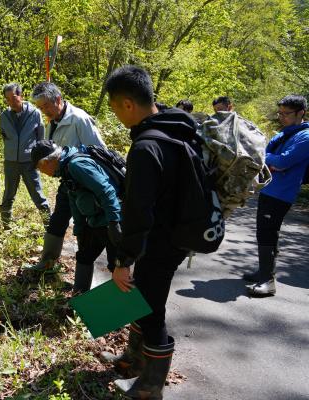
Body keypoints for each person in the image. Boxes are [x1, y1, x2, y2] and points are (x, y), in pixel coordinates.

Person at [103, 65, 198, 399]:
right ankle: (132, 360)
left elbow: (138, 213)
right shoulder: (178, 128)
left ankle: (149, 388)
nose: (115, 115)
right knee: (143, 299)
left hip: (159, 242)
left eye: (114, 108)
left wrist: (122, 260)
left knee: (151, 310)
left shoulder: (145, 147)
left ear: (128, 103)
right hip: (178, 237)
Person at [27, 82, 106, 271]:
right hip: (68, 183)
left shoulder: (79, 119)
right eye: (40, 108)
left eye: (46, 106)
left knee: (85, 228)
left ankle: (84, 269)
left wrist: (77, 160)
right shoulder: (51, 123)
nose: (44, 111)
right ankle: (47, 262)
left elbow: (99, 151)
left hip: (86, 183)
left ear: (58, 100)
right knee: (57, 221)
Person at [30, 140, 122, 292]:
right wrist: (79, 230)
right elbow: (74, 202)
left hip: (112, 219)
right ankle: (79, 297)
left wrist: (114, 222)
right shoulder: (65, 170)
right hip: (95, 221)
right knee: (84, 255)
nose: (42, 173)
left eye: (40, 168)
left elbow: (107, 191)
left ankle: (122, 309)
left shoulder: (77, 165)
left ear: (47, 162)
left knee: (117, 267)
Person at [244, 95, 309, 296]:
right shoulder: (285, 133)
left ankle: (268, 281)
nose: (281, 117)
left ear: (301, 113)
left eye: (286, 113)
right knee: (264, 232)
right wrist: (269, 160)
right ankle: (263, 271)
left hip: (282, 193)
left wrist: (267, 158)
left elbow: (282, 162)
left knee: (268, 233)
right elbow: (268, 157)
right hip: (269, 189)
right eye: (280, 113)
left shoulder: (305, 136)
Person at [0, 83, 50, 228]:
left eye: (14, 98)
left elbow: (41, 139)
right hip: (10, 162)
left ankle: (50, 227)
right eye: (7, 99)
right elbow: (5, 137)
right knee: (8, 195)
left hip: (29, 162)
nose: (11, 102)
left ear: (21, 96)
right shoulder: (3, 116)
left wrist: (39, 160)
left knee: (38, 195)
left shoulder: (35, 114)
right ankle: (6, 226)